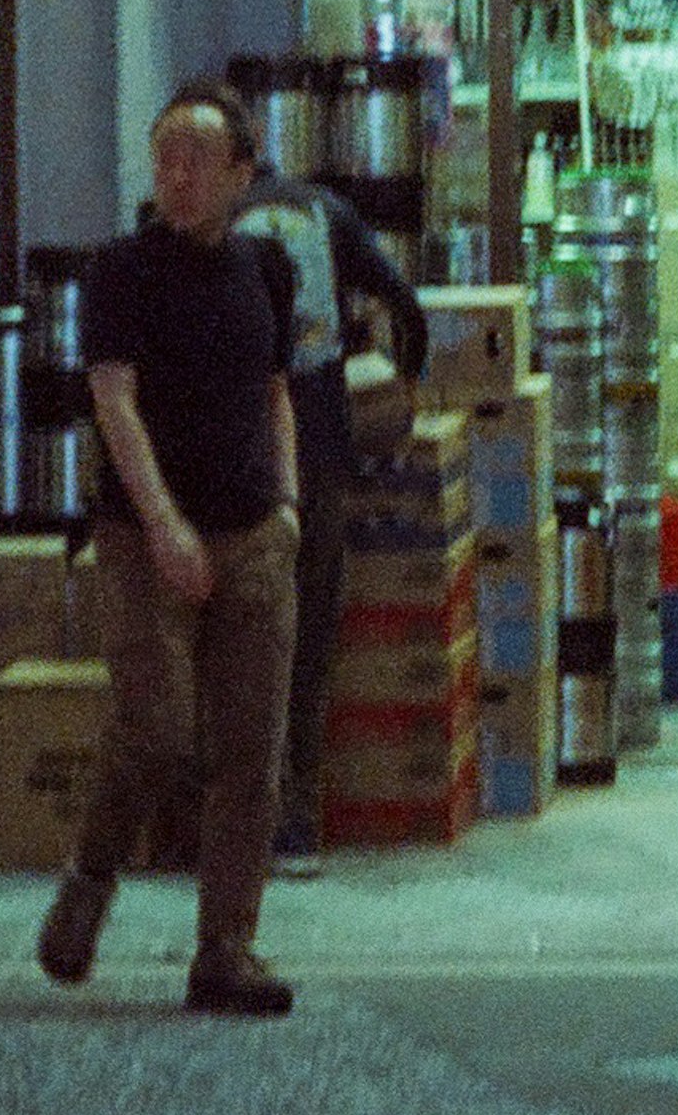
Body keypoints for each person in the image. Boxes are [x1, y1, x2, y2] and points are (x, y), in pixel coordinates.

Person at [37, 79, 308, 1015]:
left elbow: (278, 392)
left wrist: (288, 507)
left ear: (240, 172)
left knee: (250, 754)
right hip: (144, 537)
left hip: (255, 537)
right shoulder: (120, 270)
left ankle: (226, 948)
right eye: (164, 157)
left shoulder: (266, 267)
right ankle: (89, 879)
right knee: (155, 729)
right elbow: (113, 398)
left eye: (196, 157)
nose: (176, 174)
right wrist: (163, 526)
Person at [233, 155, 428, 867]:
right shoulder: (330, 212)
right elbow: (404, 302)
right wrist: (406, 387)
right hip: (318, 447)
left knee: (238, 640)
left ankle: (223, 825)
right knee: (309, 635)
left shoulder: (215, 220)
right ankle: (296, 823)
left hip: (235, 457)